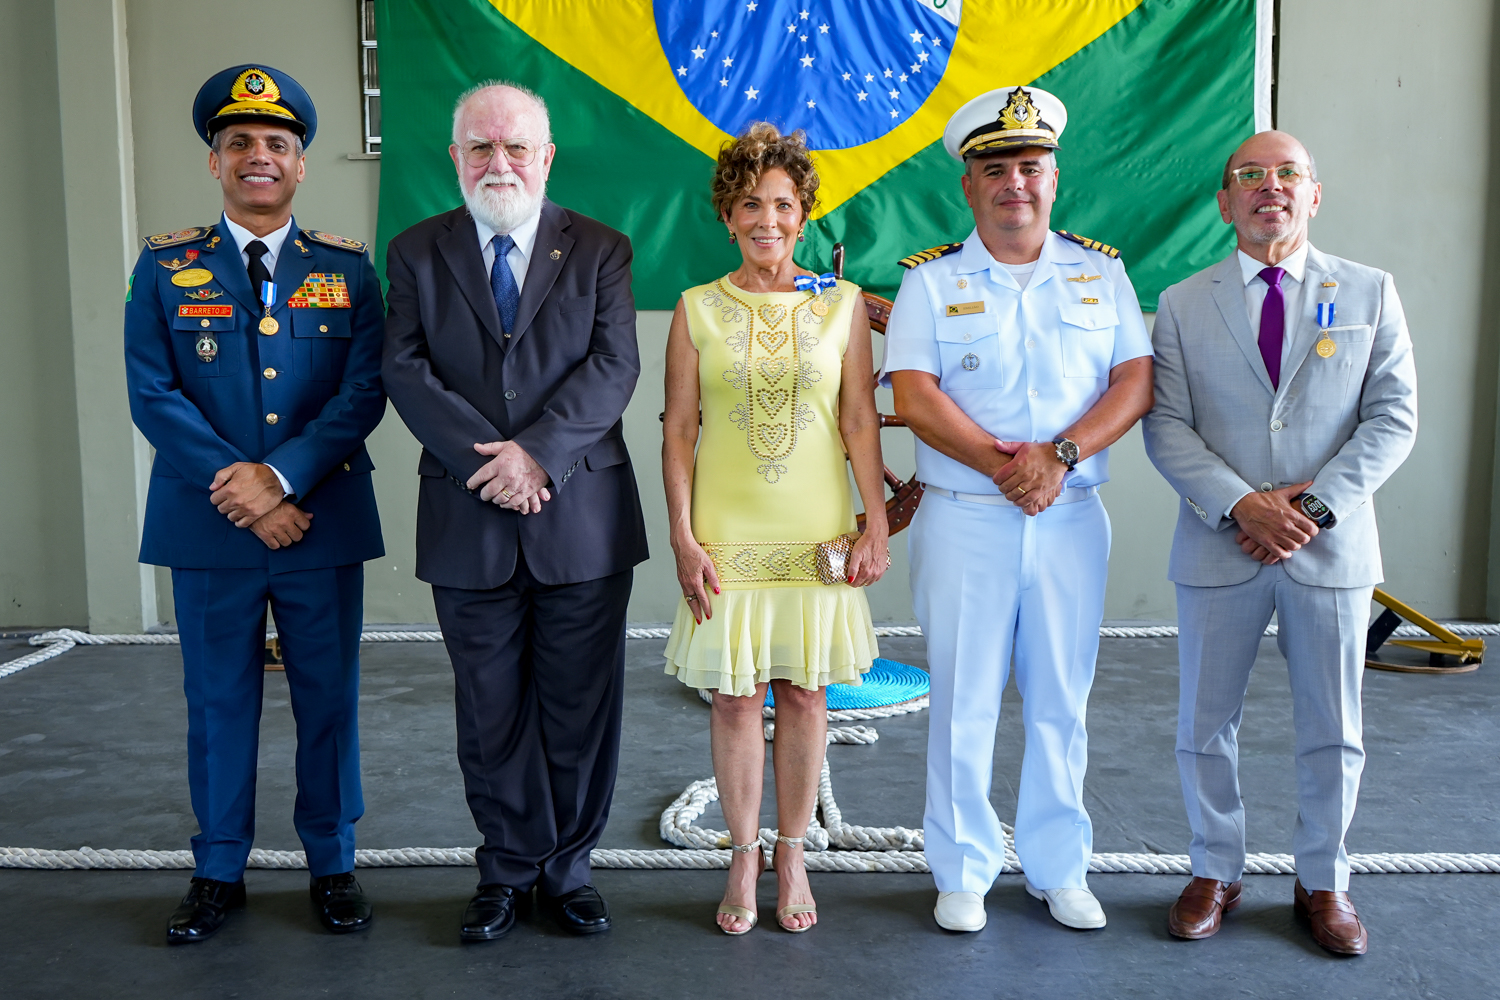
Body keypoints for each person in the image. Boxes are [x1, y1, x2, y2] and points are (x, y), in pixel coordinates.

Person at [880, 86, 1154, 933]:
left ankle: (1057, 866)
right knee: (963, 697)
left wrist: (1057, 458)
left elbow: (1134, 381)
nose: (1015, 184)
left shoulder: (1100, 270)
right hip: (967, 515)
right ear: (968, 185)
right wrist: (1008, 470)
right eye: (994, 169)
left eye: (1030, 166)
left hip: (1070, 517)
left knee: (1060, 699)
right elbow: (917, 398)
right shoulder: (930, 280)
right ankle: (961, 868)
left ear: (1054, 176)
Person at [124, 65, 386, 943]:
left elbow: (363, 393)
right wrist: (245, 490)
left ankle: (333, 863)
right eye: (240, 143)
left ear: (301, 165)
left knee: (328, 698)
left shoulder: (347, 270)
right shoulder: (165, 265)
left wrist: (282, 480)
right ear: (215, 163)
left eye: (277, 144)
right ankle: (217, 868)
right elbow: (153, 394)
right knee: (217, 702)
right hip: (209, 527)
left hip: (317, 519)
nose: (259, 157)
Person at [382, 82, 648, 943]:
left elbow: (612, 367)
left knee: (580, 708)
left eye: (515, 147)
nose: (499, 164)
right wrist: (488, 465)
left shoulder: (601, 248)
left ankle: (569, 871)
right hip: (469, 516)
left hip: (580, 515)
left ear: (547, 156)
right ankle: (504, 869)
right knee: (489, 708)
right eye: (480, 148)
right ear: (454, 157)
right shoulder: (416, 251)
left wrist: (537, 456)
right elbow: (405, 369)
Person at [1142, 131, 1417, 956]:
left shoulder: (1370, 291)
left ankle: (1323, 881)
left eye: (1287, 174)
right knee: (1203, 724)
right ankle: (1214, 868)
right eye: (1250, 177)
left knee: (1333, 727)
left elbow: (1393, 416)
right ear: (1225, 203)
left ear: (1314, 195)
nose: (1271, 188)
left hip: (1328, 553)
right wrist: (1243, 507)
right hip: (1220, 545)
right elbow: (1166, 426)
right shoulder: (1184, 302)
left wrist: (1314, 509)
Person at [662, 123, 889, 935]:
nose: (768, 219)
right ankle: (742, 855)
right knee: (732, 700)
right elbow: (678, 431)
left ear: (804, 215)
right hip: (726, 532)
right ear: (728, 215)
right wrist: (685, 540)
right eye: (751, 203)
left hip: (817, 528)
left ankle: (792, 853)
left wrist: (877, 525)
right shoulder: (695, 309)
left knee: (805, 691)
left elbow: (860, 419)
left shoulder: (843, 305)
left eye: (784, 204)